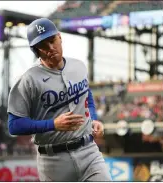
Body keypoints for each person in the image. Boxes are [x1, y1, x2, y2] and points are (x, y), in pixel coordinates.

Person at [7, 18, 112, 181]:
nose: (50, 48)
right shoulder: (28, 80)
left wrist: (93, 119)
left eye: (52, 40)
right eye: (43, 45)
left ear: (59, 37)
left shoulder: (78, 66)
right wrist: (53, 124)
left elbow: (87, 95)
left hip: (88, 151)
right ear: (35, 50)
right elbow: (14, 125)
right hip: (53, 160)